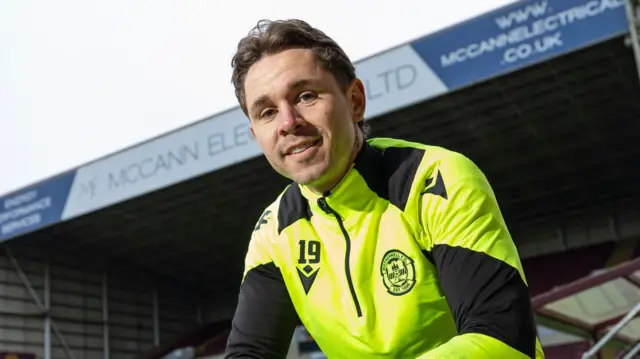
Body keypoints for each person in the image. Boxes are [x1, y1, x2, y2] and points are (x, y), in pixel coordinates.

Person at [223, 19, 545, 359]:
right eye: (268, 112)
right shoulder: (272, 232)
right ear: (256, 136)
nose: (289, 123)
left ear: (355, 100)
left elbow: (504, 340)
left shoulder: (434, 177)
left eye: (305, 96)